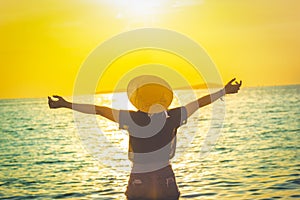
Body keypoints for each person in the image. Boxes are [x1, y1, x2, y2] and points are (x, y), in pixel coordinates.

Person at [48, 76, 242, 200]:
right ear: (164, 98)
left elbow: (99, 110)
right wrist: (224, 91)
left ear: (140, 100)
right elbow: (200, 103)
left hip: (139, 178)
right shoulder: (173, 115)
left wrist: (66, 104)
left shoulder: (132, 118)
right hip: (165, 177)